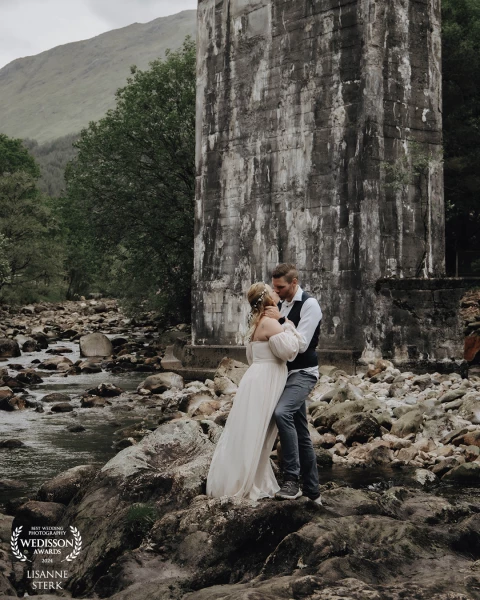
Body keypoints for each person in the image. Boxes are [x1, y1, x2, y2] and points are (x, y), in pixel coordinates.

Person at [206, 282, 303, 501]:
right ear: (267, 299)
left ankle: (246, 477)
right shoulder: (270, 323)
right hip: (266, 380)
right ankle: (249, 481)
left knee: (252, 430)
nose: (276, 292)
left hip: (256, 378)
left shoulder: (256, 323)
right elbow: (290, 352)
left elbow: (253, 358)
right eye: (272, 291)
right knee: (259, 431)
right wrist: (284, 323)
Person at [264, 263, 323, 503]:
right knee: (301, 433)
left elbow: (302, 344)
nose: (276, 292)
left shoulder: (310, 304)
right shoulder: (277, 303)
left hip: (304, 373)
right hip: (282, 375)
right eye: (274, 287)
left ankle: (291, 480)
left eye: (281, 287)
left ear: (294, 283)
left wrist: (282, 319)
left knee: (282, 413)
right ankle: (313, 492)